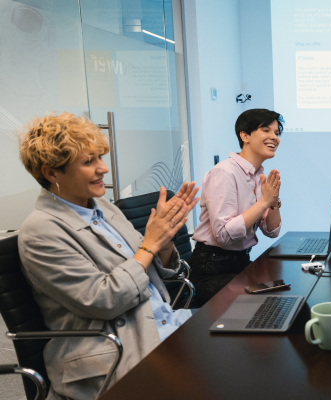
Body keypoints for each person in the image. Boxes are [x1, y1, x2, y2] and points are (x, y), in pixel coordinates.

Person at [17, 112, 199, 399]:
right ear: (52, 172)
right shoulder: (41, 231)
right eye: (89, 162)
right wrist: (149, 244)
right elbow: (104, 301)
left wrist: (164, 240)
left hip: (164, 324)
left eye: (100, 157)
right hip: (118, 351)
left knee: (250, 337)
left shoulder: (103, 208)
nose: (103, 168)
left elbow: (158, 273)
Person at [189, 108, 282, 306]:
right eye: (266, 130)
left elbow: (272, 231)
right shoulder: (224, 173)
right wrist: (264, 202)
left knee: (283, 292)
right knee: (263, 302)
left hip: (239, 262)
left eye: (276, 132)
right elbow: (223, 234)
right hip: (211, 270)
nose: (274, 137)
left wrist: (273, 202)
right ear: (245, 135)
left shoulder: (258, 175)